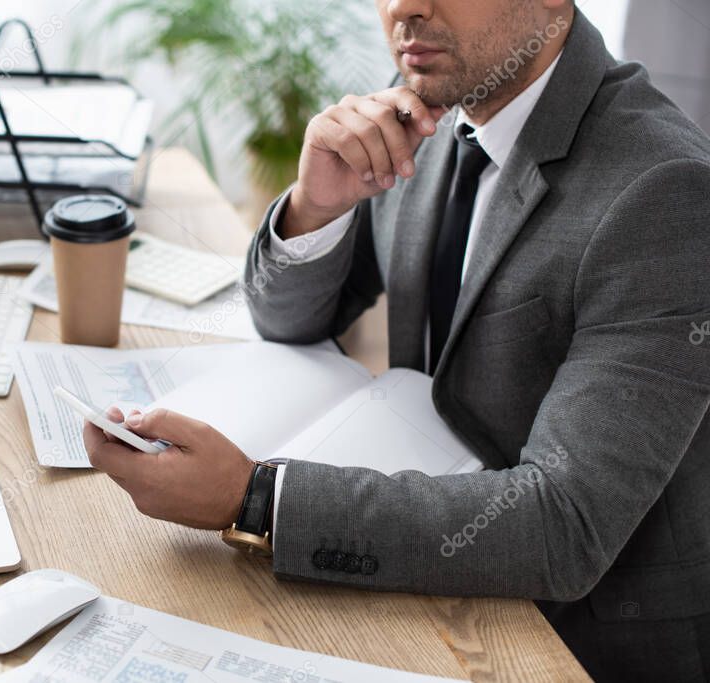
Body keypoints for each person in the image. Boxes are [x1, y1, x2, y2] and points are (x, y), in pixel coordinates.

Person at [83, 1, 710, 679]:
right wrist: (314, 207)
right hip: (425, 572)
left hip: (567, 641)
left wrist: (257, 500)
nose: (403, 7)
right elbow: (291, 321)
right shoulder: (430, 101)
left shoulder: (666, 191)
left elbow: (565, 525)